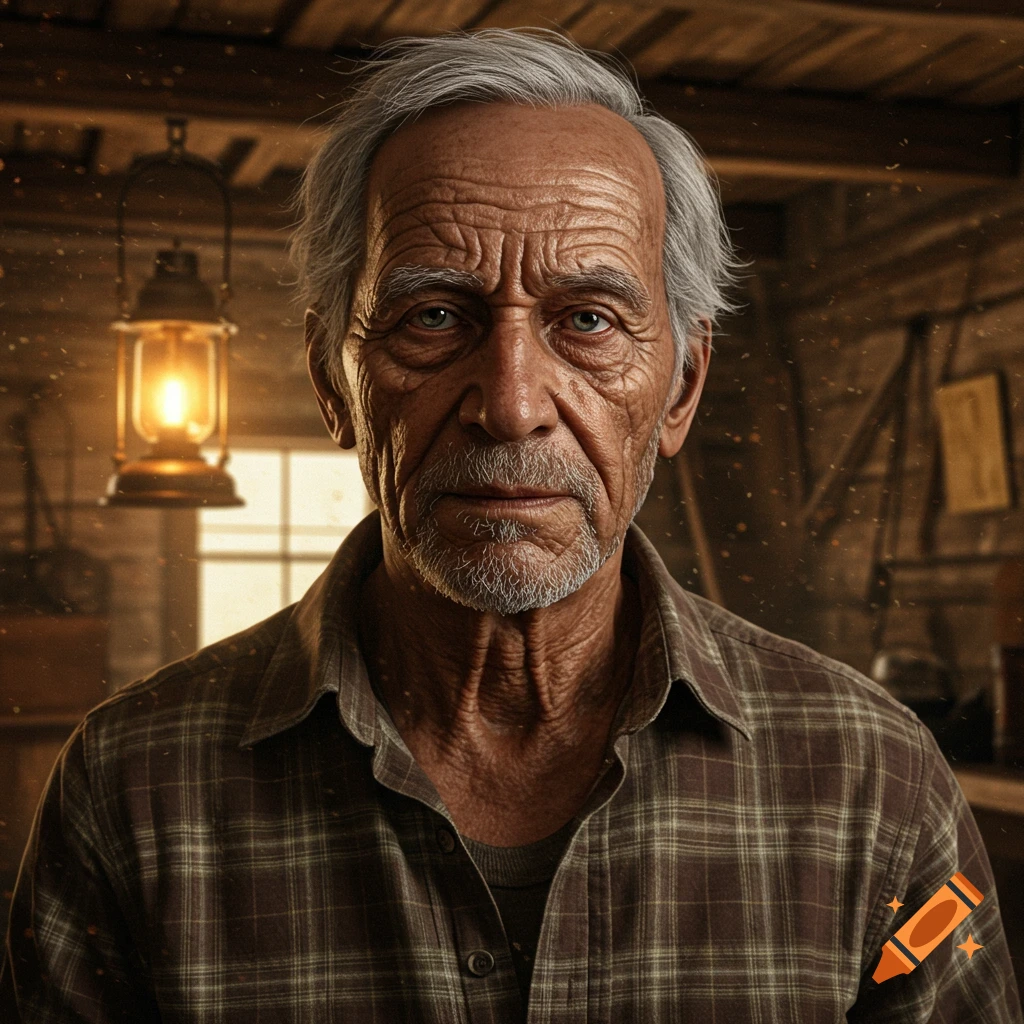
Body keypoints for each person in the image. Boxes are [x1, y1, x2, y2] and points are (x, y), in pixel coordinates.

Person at [2, 27, 1021, 1024]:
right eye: (435, 316)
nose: (512, 400)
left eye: (586, 320)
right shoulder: (130, 789)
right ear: (334, 381)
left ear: (680, 388)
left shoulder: (871, 781)